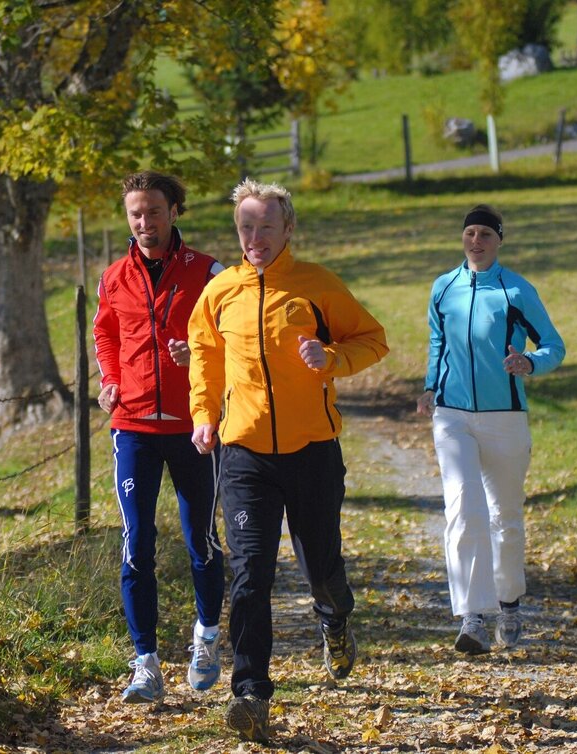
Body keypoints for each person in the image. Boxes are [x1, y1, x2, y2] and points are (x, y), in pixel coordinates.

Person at [187, 178, 388, 742]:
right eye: (245, 227)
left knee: (320, 569)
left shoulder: (317, 285)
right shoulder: (221, 290)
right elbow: (203, 353)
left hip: (312, 451)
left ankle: (335, 618)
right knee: (249, 575)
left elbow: (373, 339)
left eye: (265, 226)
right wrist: (203, 413)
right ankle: (251, 692)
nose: (254, 237)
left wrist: (331, 358)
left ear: (288, 227)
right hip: (244, 451)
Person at [93, 170, 226, 704]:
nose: (144, 222)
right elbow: (105, 331)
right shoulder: (113, 276)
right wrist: (109, 379)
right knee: (136, 546)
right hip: (133, 427)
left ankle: (207, 637)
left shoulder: (210, 273)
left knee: (202, 542)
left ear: (175, 211)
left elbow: (230, 340)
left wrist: (199, 360)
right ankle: (145, 662)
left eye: (153, 211)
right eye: (135, 214)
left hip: (195, 427)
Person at [416, 204, 565, 655]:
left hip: (505, 417)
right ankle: (472, 617)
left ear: (499, 240)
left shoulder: (517, 290)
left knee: (505, 517)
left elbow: (554, 345)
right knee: (464, 509)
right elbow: (437, 343)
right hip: (452, 415)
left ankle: (510, 603)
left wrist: (531, 363)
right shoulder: (444, 288)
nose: (475, 240)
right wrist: (429, 389)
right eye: (470, 233)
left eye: (485, 234)